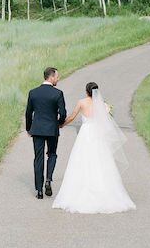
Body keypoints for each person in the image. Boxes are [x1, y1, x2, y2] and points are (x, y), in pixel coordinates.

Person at [52, 82, 135, 214]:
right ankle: (104, 191)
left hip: (86, 133)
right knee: (101, 160)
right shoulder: (102, 105)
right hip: (97, 133)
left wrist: (60, 125)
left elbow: (72, 116)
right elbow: (105, 120)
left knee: (82, 160)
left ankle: (78, 191)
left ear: (86, 91)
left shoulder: (81, 102)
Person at [26, 67, 66, 199]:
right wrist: (59, 123)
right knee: (52, 154)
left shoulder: (33, 93)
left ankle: (39, 191)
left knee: (38, 158)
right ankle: (48, 179)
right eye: (57, 76)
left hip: (37, 129)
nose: (58, 79)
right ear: (51, 77)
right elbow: (63, 113)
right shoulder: (58, 93)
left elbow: (28, 113)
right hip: (52, 129)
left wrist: (28, 128)